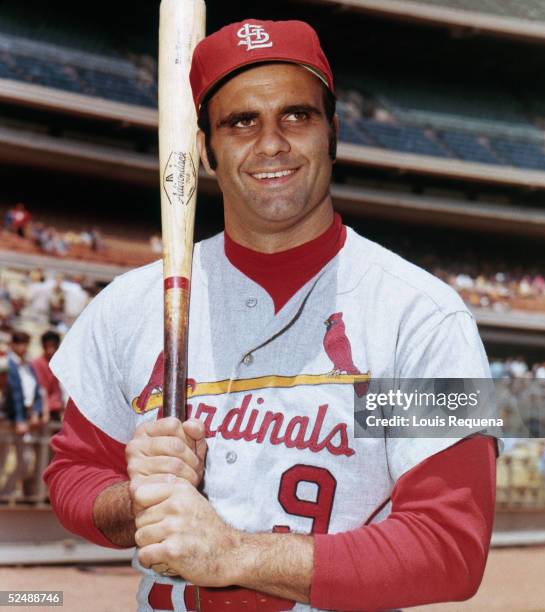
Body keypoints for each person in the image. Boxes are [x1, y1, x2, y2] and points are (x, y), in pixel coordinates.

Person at [44, 19, 498, 612]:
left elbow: (449, 547)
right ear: (205, 149)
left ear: (332, 132)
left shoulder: (421, 315)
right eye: (240, 122)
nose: (271, 143)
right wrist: (137, 504)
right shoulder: (132, 306)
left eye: (296, 115)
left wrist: (235, 554)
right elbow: (72, 473)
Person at [0, 331, 43, 497]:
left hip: (24, 417)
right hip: (8, 419)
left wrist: (36, 412)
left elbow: (37, 391)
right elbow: (14, 394)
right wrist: (19, 419)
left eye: (25, 342)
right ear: (12, 344)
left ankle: (5, 493)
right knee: (2, 460)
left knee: (24, 462)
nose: (22, 346)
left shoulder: (28, 366)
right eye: (18, 342)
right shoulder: (6, 363)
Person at [31, 331, 64, 422]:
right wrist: (44, 412)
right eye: (47, 346)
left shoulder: (61, 364)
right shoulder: (36, 364)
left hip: (58, 410)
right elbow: (41, 389)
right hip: (42, 411)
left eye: (53, 346)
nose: (50, 350)